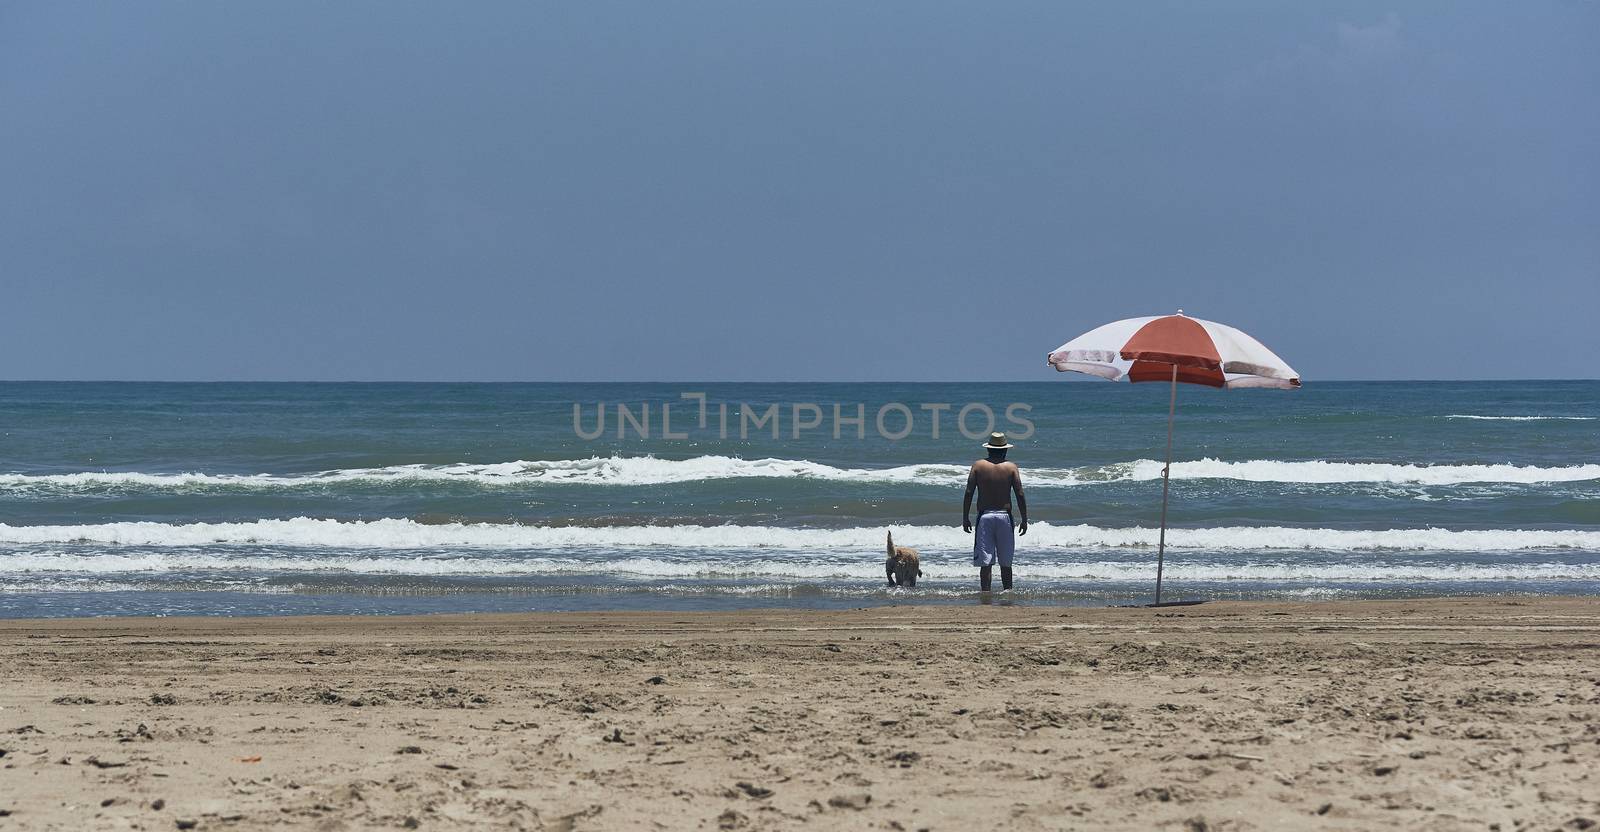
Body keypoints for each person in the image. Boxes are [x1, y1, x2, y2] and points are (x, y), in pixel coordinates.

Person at [962, 431, 1028, 591]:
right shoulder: (1011, 467)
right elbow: (1019, 493)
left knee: (986, 563)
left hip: (985, 516)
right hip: (1005, 517)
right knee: (1006, 562)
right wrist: (1025, 519)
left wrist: (965, 517)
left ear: (988, 449)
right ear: (1005, 450)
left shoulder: (978, 466)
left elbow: (969, 492)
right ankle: (1007, 593)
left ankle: (986, 595)